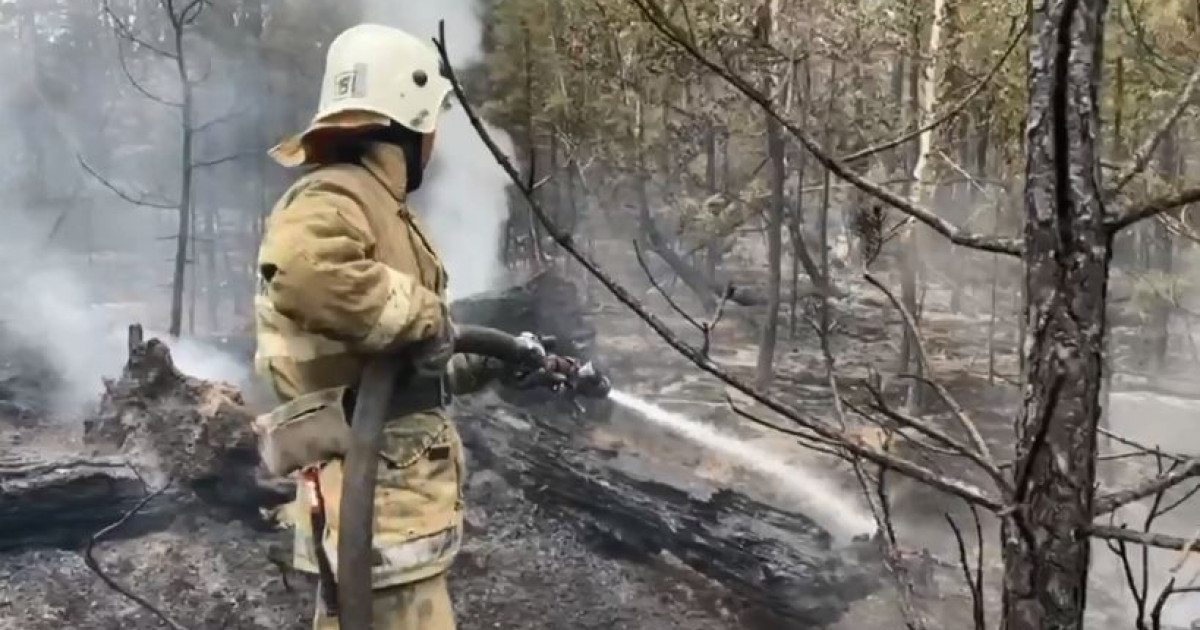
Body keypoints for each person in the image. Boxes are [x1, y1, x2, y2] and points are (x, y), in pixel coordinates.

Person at [254, 23, 505, 630]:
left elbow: (398, 361)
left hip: (393, 504)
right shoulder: (335, 195)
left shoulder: (374, 205)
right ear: (411, 116)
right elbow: (306, 271)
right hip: (374, 501)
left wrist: (494, 361)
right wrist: (429, 316)